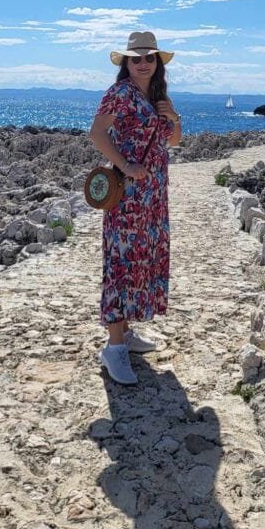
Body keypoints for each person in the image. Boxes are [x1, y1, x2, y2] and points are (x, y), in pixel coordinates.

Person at [89, 31, 182, 385]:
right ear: (126, 62)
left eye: (149, 58)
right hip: (129, 195)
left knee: (143, 258)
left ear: (157, 63)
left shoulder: (157, 95)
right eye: (136, 58)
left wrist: (172, 116)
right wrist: (126, 166)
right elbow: (97, 134)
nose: (142, 63)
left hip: (154, 194)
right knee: (121, 262)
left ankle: (125, 335)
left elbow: (172, 140)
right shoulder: (120, 93)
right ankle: (113, 348)